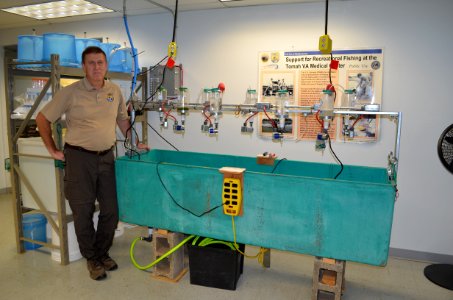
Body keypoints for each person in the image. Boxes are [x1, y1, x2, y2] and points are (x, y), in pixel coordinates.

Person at [36, 46, 149, 280]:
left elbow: (122, 120)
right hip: (79, 159)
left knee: (111, 210)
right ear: (83, 67)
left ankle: (101, 253)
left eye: (100, 62)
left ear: (106, 65)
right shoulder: (71, 92)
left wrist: (134, 142)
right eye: (91, 63)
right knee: (83, 211)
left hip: (107, 157)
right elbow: (42, 119)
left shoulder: (114, 90)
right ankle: (92, 259)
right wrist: (52, 149)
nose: (96, 67)